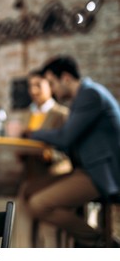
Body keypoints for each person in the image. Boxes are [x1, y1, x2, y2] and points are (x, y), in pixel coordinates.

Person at [22, 55, 120, 247]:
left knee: (38, 204)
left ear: (66, 78)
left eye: (52, 83)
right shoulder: (82, 97)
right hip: (87, 169)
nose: (52, 89)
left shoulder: (90, 94)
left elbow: (65, 138)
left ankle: (102, 242)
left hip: (103, 173)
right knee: (29, 189)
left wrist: (30, 133)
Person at [12, 69, 71, 247]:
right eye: (30, 86)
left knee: (49, 231)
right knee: (22, 230)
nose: (33, 90)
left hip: (52, 178)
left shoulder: (62, 114)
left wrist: (47, 154)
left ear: (51, 87)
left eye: (38, 85)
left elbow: (68, 152)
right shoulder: (27, 116)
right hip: (29, 178)